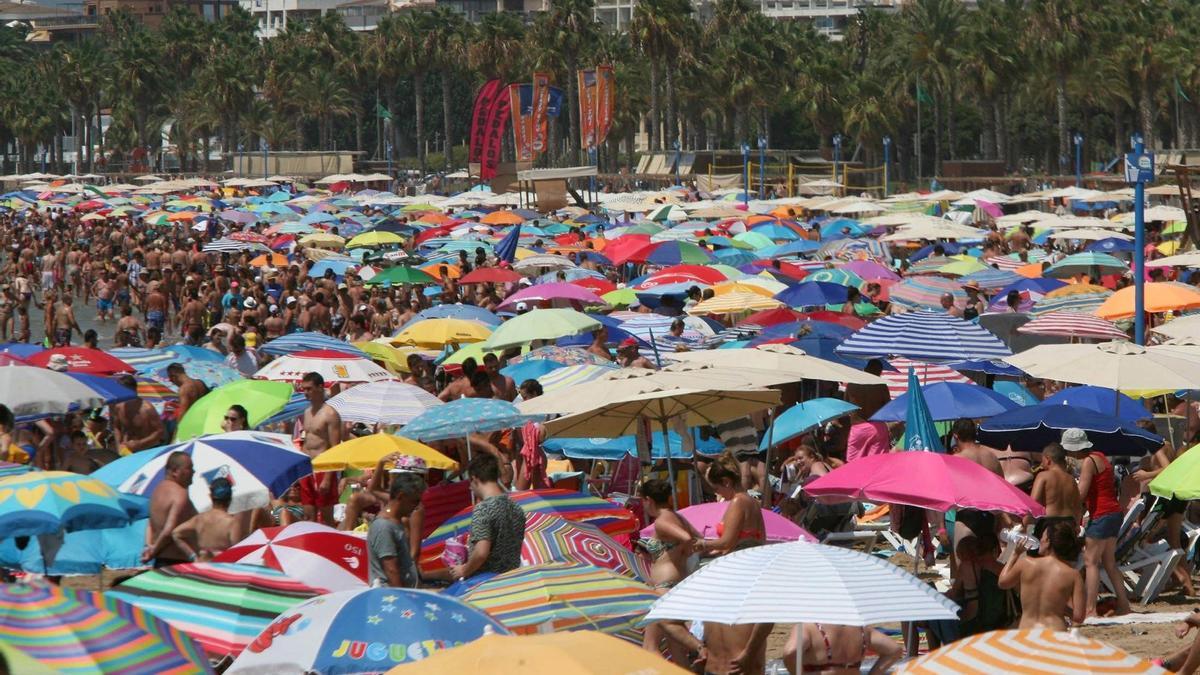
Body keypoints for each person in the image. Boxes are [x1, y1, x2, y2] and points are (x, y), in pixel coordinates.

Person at [1063, 427, 1131, 617]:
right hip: (1113, 512)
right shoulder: (1100, 456)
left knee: (1090, 561)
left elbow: (1082, 493)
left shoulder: (1087, 462)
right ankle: (1124, 605)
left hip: (1101, 513)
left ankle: (1090, 608)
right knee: (1109, 562)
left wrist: (1065, 490)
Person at [998, 520, 1085, 630]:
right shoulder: (1073, 574)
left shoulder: (1026, 563)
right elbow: (1079, 616)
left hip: (1027, 631)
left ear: (1048, 541)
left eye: (1042, 537)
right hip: (1055, 631)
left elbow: (1002, 582)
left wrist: (1015, 554)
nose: (1040, 540)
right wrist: (1057, 605)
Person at [449, 453, 525, 579]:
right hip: (511, 579)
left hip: (485, 582)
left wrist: (463, 570)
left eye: (470, 483)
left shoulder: (483, 509)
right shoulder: (516, 507)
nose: (470, 487)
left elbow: (481, 553)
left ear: (474, 479)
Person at [297, 372, 342, 525]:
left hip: (323, 468)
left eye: (309, 389)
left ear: (320, 387)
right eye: (304, 389)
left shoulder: (330, 414)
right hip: (307, 467)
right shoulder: (306, 412)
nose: (306, 393)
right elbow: (307, 441)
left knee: (326, 517)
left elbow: (335, 448)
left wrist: (329, 477)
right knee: (308, 515)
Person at [367, 472, 426, 587]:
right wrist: (403, 599)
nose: (417, 506)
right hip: (391, 596)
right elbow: (391, 570)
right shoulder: (384, 527)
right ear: (401, 496)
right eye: (415, 501)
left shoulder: (397, 521)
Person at [169, 477, 246, 562]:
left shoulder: (199, 519)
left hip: (202, 568)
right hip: (220, 568)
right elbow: (238, 553)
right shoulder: (232, 523)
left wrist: (193, 556)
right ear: (230, 499)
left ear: (210, 496)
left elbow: (176, 534)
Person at [142, 451, 198, 566]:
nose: (193, 471)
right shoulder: (180, 494)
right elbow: (169, 530)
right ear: (175, 471)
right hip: (176, 562)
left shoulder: (156, 491)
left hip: (160, 560)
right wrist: (152, 552)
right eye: (189, 468)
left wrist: (148, 546)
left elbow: (150, 524)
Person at [783, 623, 901, 675]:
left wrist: (797, 673)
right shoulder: (861, 629)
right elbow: (894, 650)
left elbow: (790, 651)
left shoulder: (807, 627)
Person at [1029, 443, 1080, 537]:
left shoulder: (1043, 476)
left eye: (1042, 460)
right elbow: (1077, 506)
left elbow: (1033, 502)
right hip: (1069, 522)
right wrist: (1077, 525)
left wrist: (1026, 522)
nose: (1041, 463)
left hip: (1050, 523)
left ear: (1048, 460)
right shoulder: (1071, 479)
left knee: (1039, 551)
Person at [111, 373, 165, 454]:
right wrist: (118, 444)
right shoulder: (118, 407)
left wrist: (140, 443)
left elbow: (159, 431)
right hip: (128, 450)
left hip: (148, 449)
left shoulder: (147, 408)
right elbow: (116, 427)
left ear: (133, 390)